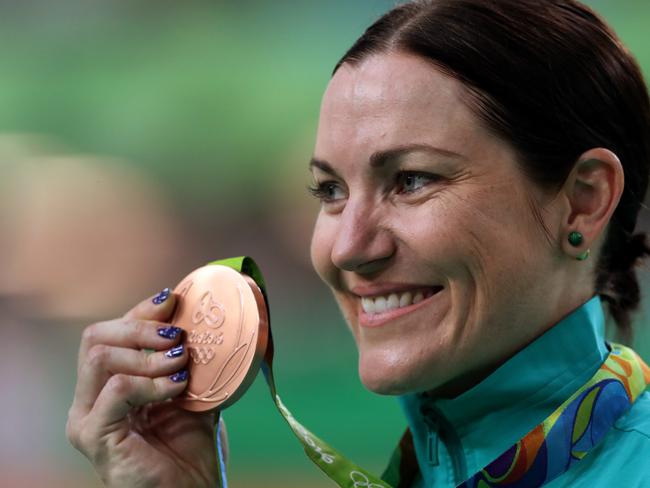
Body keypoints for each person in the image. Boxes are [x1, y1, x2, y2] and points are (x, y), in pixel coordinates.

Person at [67, 0, 650, 486]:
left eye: (413, 180)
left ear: (585, 199)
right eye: (330, 190)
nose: (347, 248)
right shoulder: (424, 466)